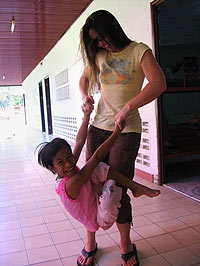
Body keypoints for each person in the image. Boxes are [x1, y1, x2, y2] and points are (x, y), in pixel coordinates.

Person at [79, 9, 167, 266]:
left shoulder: (139, 51)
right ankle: (90, 241)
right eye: (95, 41)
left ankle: (126, 244)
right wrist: (85, 97)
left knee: (116, 189)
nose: (101, 44)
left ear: (113, 29)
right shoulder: (100, 55)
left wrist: (129, 107)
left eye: (103, 38)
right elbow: (83, 79)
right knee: (90, 185)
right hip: (98, 127)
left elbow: (159, 82)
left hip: (126, 131)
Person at [36, 109, 160, 266]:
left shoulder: (68, 171)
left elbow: (80, 141)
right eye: (60, 162)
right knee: (107, 184)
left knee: (96, 170)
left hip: (92, 199)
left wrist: (87, 115)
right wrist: (117, 132)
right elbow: (96, 157)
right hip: (99, 218)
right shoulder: (70, 184)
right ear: (52, 168)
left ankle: (135, 187)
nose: (69, 163)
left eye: (69, 157)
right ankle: (132, 187)